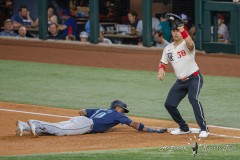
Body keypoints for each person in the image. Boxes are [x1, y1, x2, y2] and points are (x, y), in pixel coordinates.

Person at [157, 24, 208, 138]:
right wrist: (161, 70)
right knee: (169, 104)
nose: (175, 33)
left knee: (193, 99)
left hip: (194, 77)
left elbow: (190, 43)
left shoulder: (187, 44)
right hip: (180, 81)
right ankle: (184, 127)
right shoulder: (168, 48)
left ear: (182, 32)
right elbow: (163, 62)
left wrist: (184, 31)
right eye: (173, 31)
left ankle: (204, 128)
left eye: (177, 31)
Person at [15, 100, 167, 136]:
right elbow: (134, 124)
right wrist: (151, 130)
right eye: (123, 109)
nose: (124, 112)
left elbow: (82, 111)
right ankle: (34, 122)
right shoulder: (117, 114)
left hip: (80, 119)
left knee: (55, 127)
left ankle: (25, 125)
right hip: (87, 125)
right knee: (61, 131)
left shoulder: (102, 109)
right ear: (117, 107)